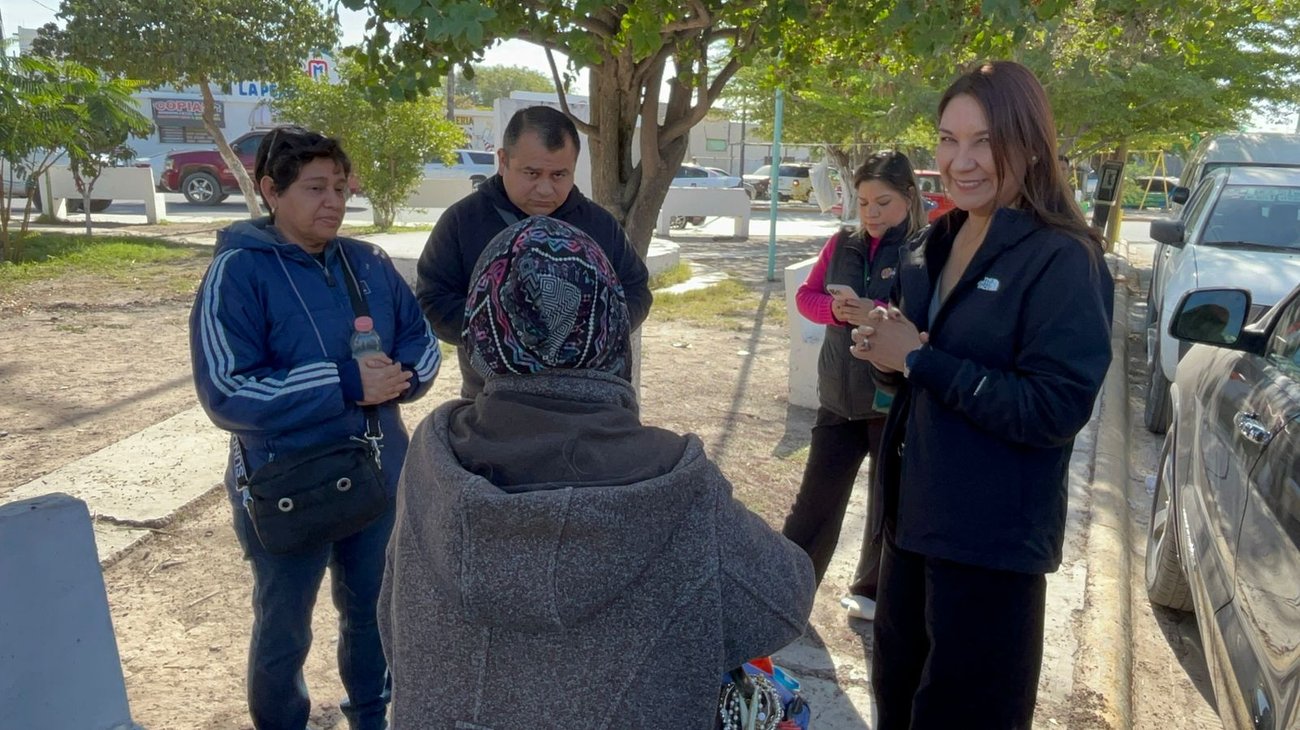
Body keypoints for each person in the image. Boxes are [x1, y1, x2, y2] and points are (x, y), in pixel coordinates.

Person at [380, 215, 815, 729]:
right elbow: (783, 602)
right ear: (612, 327)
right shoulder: (675, 479)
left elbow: (392, 619)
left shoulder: (435, 455)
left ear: (482, 328)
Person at [850, 61, 1114, 729]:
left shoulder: (1063, 259)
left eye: (984, 141)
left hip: (992, 545)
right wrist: (888, 356)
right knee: (899, 704)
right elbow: (918, 369)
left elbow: (1053, 410)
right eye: (947, 139)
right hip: (910, 526)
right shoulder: (930, 245)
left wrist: (919, 357)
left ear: (1029, 142)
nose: (960, 162)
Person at [189, 126, 441, 730]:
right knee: (284, 627)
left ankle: (372, 717)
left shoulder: (370, 263)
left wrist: (399, 376)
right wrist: (345, 385)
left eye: (340, 187)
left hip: (378, 475)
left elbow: (422, 345)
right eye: (314, 188)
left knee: (373, 613)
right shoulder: (238, 273)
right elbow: (228, 390)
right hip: (286, 484)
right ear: (271, 190)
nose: (333, 201)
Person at [416, 105, 653, 397]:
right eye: (532, 173)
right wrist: (504, 331)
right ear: (503, 161)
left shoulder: (599, 225)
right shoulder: (462, 222)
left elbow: (636, 289)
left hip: (587, 403)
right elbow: (433, 301)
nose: (544, 189)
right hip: (492, 404)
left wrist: (597, 329)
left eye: (558, 175)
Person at [781, 150, 926, 623]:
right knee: (815, 503)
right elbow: (808, 296)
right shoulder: (841, 243)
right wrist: (835, 311)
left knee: (888, 506)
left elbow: (927, 323)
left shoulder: (923, 252)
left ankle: (873, 589)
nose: (871, 213)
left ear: (909, 197)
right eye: (863, 202)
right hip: (837, 398)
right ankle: (786, 590)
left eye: (882, 202)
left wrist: (882, 316)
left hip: (891, 401)